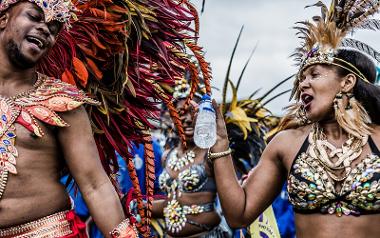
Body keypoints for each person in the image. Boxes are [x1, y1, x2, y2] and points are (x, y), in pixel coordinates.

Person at [0, 0, 209, 237]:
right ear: (3, 19)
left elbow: (94, 185)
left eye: (54, 28)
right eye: (35, 17)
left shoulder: (63, 102)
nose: (45, 29)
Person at [202, 1, 380, 238]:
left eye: (314, 74)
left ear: (347, 82)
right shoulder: (287, 144)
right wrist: (221, 146)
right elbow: (238, 214)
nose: (303, 84)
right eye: (302, 78)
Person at [151, 80, 232, 238]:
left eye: (193, 113)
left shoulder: (211, 153)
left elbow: (232, 205)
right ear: (172, 116)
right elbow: (172, 204)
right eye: (181, 113)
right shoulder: (167, 155)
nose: (187, 119)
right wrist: (136, 205)